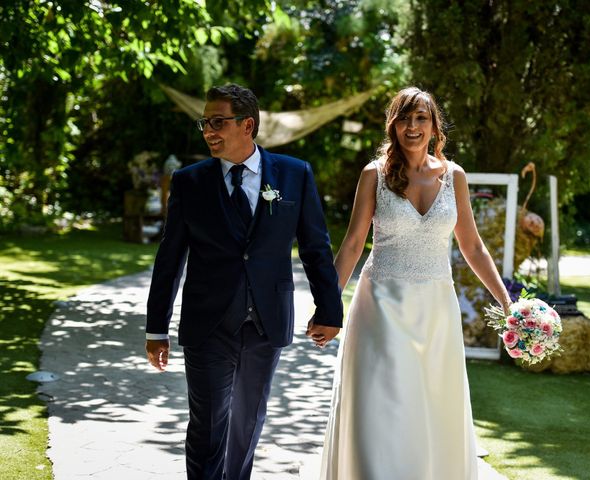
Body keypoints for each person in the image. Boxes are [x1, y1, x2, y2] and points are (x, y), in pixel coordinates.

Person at [145, 84, 343, 480]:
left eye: (218, 122)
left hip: (265, 322)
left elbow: (316, 248)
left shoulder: (294, 174)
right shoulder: (189, 182)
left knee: (247, 423)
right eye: (205, 123)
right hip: (208, 324)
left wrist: (330, 310)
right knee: (208, 426)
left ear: (247, 124)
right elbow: (170, 258)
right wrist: (156, 328)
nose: (208, 131)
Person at [318, 87, 512, 480]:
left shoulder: (454, 176)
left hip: (436, 310)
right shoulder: (373, 175)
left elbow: (473, 247)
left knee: (433, 406)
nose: (412, 126)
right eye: (404, 118)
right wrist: (327, 306)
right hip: (381, 307)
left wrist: (509, 306)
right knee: (382, 405)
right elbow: (353, 244)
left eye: (421, 118)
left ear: (434, 125)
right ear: (393, 126)